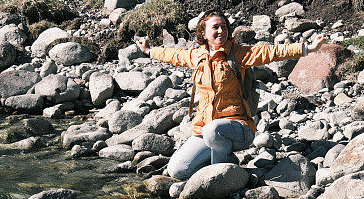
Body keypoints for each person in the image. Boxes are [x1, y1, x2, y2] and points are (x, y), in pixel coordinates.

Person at [135, 11, 326, 179]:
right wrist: (148, 50)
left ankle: (224, 176)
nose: (221, 31)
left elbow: (271, 52)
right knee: (178, 170)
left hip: (239, 128)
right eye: (215, 27)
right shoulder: (197, 55)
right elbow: (172, 55)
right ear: (203, 33)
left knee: (213, 131)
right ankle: (225, 158)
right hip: (205, 129)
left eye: (224, 27)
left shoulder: (238, 54)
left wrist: (307, 48)